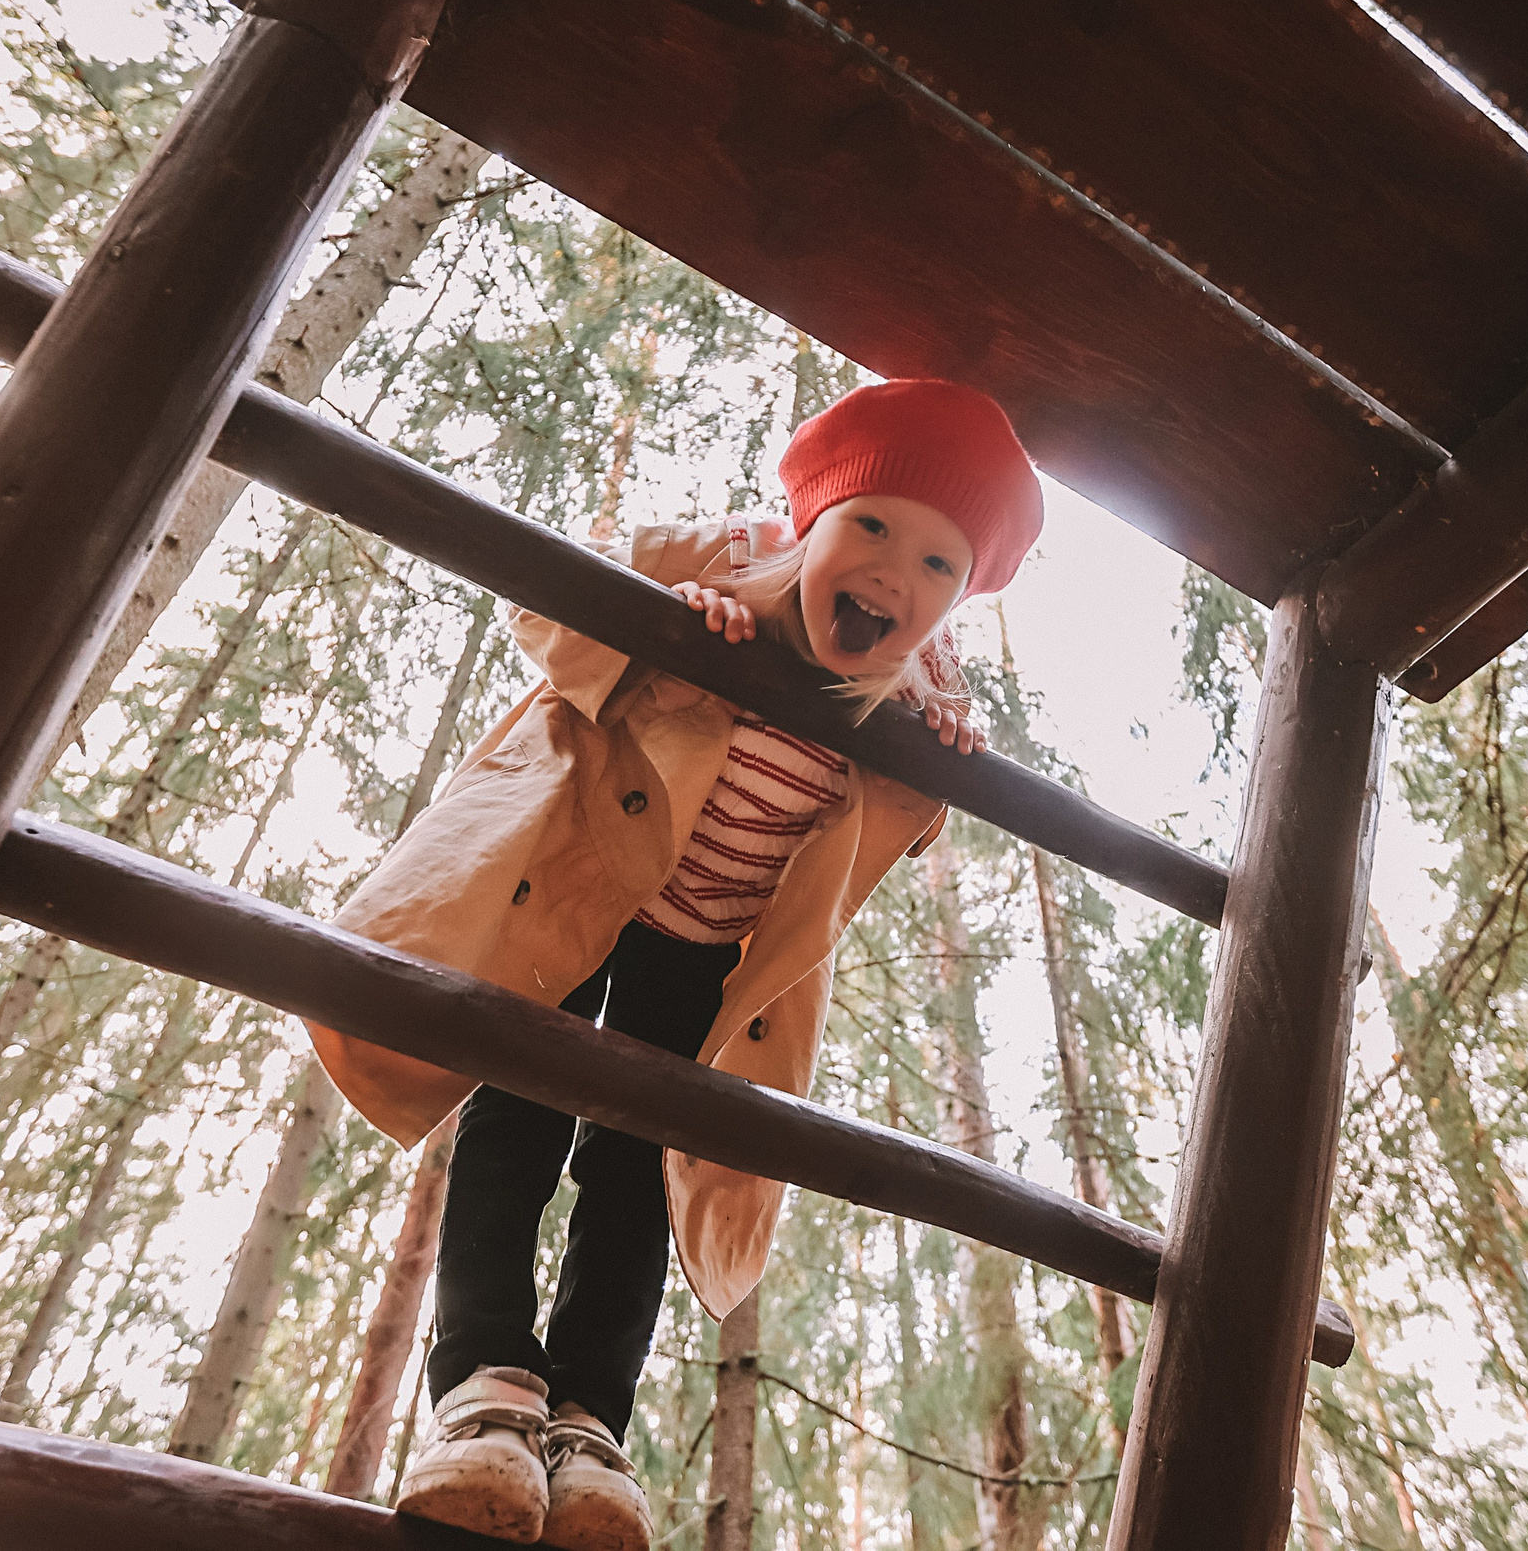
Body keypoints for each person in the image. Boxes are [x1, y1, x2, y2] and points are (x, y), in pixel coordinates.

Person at [309, 379, 1044, 1550]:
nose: (898, 573)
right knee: (515, 1111)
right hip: (577, 877)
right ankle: (487, 1390)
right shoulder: (730, 552)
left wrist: (939, 755)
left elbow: (894, 830)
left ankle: (591, 1421)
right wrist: (656, 616)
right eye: (872, 526)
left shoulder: (919, 681)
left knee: (639, 1167)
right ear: (812, 523)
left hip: (702, 947)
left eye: (940, 565)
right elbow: (552, 597)